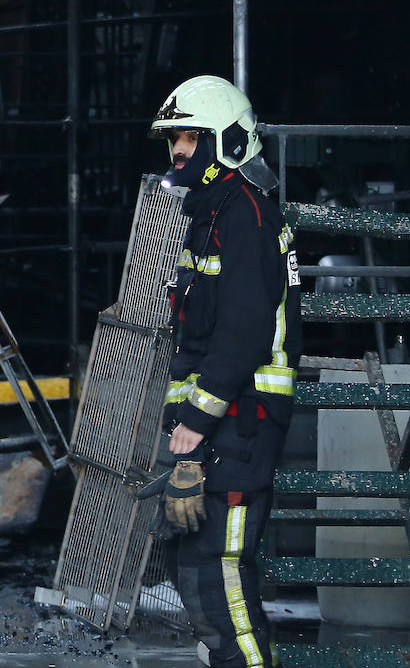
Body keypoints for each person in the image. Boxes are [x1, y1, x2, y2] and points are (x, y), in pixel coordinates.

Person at [140, 75, 302, 668]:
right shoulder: (212, 215)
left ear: (226, 142)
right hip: (220, 426)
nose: (178, 151)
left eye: (190, 137)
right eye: (174, 139)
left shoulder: (248, 217)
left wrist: (195, 423)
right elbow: (199, 335)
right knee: (196, 574)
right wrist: (183, 426)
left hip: (243, 422)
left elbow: (243, 331)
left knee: (220, 574)